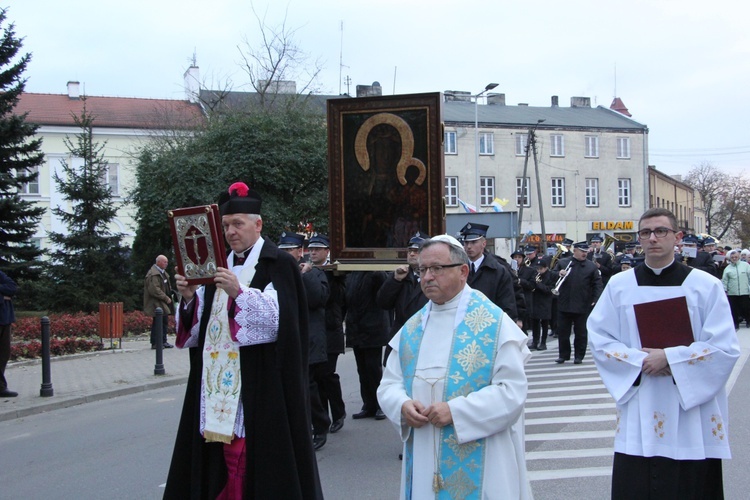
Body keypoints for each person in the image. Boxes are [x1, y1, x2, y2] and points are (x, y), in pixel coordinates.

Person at [164, 182, 322, 499]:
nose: (231, 232)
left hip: (262, 382)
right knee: (218, 461)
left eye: (238, 224)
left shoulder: (279, 263)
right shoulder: (215, 267)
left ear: (257, 224)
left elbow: (282, 323)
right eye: (225, 226)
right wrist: (190, 298)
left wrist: (239, 293)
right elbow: (200, 332)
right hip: (215, 384)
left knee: (252, 463)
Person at [588, 207, 740, 499]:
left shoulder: (705, 286)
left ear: (677, 237)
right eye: (645, 233)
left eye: (661, 231)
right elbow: (600, 339)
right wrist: (641, 360)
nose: (653, 238)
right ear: (639, 239)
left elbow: (724, 346)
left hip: (691, 408)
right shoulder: (619, 286)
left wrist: (670, 358)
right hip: (641, 397)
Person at [377, 234, 532, 499]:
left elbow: (511, 392)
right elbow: (389, 384)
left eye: (436, 268)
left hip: (482, 451)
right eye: (422, 270)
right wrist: (402, 406)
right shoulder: (412, 329)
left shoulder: (494, 324)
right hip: (424, 448)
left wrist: (457, 412)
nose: (426, 277)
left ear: (462, 271)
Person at [279, 231, 331, 451]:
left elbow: (319, 299)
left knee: (309, 388)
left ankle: (320, 426)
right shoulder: (277, 272)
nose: (287, 255)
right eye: (283, 251)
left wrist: (306, 275)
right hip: (286, 339)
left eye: (290, 251)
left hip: (308, 338)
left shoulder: (314, 273)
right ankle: (298, 428)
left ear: (300, 252)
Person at [307, 233, 348, 434]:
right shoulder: (306, 270)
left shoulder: (336, 271)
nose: (313, 252)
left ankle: (338, 413)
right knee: (315, 376)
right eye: (311, 249)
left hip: (330, 330)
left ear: (327, 251)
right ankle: (322, 416)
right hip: (314, 331)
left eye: (317, 249)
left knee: (327, 374)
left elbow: (338, 298)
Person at [377, 231, 429, 364]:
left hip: (424, 336)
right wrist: (394, 280)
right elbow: (383, 302)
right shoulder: (400, 275)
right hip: (400, 335)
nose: (411, 254)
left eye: (416, 251)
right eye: (410, 250)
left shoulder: (433, 277)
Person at [345, 270, 390, 420]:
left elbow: (383, 293)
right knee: (362, 370)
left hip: (373, 327)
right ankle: (368, 404)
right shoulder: (350, 273)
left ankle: (380, 405)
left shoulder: (376, 273)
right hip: (356, 326)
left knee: (373, 369)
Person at [459, 223, 519, 323]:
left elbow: (508, 303)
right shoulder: (458, 269)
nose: (468, 247)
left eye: (473, 242)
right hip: (464, 324)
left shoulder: (498, 270)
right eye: (466, 243)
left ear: (483, 244)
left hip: (490, 323)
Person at [554, 241, 603, 364]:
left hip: (583, 304)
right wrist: (558, 274)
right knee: (563, 332)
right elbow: (551, 276)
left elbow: (597, 284)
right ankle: (563, 355)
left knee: (581, 333)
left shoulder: (591, 266)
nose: (584, 254)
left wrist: (596, 300)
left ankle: (579, 356)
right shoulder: (563, 263)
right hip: (564, 303)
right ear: (575, 250)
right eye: (582, 251)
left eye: (586, 252)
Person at [143, 255, 174, 349]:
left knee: (164, 321)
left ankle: (163, 341)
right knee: (158, 321)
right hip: (156, 302)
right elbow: (154, 290)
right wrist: (165, 298)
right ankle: (156, 343)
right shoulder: (153, 274)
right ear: (158, 262)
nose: (166, 264)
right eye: (165, 262)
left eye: (167, 262)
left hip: (161, 301)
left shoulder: (162, 272)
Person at [528, 257, 555, 350]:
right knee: (535, 322)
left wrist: (538, 284)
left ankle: (543, 342)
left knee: (544, 323)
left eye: (541, 268)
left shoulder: (550, 275)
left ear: (545, 268)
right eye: (537, 268)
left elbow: (549, 289)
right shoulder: (536, 275)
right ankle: (535, 341)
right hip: (535, 300)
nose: (539, 270)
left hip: (545, 302)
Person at [722, 249, 750, 330]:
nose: (734, 258)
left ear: (739, 257)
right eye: (732, 257)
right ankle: (735, 323)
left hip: (744, 291)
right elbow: (725, 280)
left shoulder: (746, 265)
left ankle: (748, 321)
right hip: (732, 292)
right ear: (730, 258)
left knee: (746, 308)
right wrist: (725, 290)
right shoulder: (728, 268)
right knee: (734, 309)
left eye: (736, 257)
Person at [0, 271, 18, 398]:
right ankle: (1, 387)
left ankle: (0, 387)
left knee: (4, 354)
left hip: (4, 320)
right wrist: (2, 297)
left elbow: (12, 287)